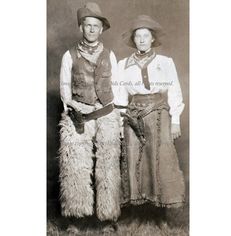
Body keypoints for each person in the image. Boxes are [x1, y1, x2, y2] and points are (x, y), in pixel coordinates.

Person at [58, 2, 121, 228]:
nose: (92, 30)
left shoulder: (110, 55)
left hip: (106, 114)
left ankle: (107, 218)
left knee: (108, 166)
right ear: (81, 28)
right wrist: (75, 109)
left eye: (96, 26)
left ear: (101, 29)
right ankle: (76, 218)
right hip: (79, 115)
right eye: (88, 26)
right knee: (74, 166)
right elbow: (65, 89)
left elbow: (118, 87)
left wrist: (117, 118)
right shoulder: (69, 56)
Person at [117, 15, 185, 213]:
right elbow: (120, 96)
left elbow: (174, 90)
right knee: (132, 157)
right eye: (138, 36)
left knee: (160, 157)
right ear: (134, 40)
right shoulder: (123, 65)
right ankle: (136, 209)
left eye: (146, 35)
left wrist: (176, 121)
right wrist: (121, 125)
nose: (142, 40)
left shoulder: (165, 62)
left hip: (158, 113)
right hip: (132, 115)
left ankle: (160, 210)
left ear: (152, 38)